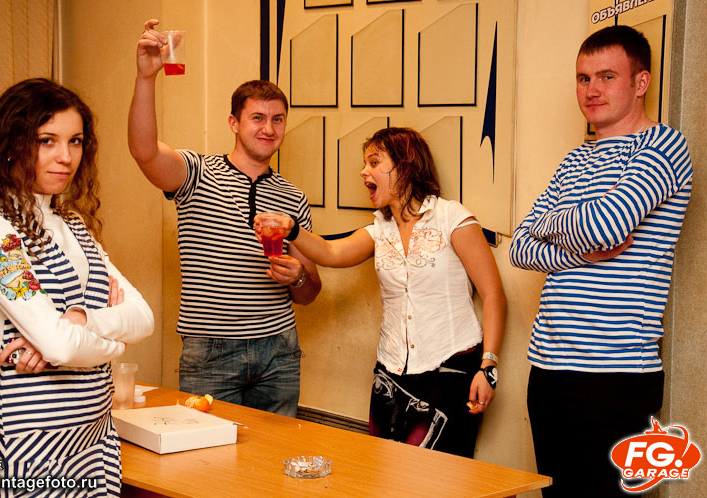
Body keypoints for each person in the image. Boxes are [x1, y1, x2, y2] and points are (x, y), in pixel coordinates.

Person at [509, 25, 693, 498]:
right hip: (547, 368)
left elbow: (604, 227)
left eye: (607, 76)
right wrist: (580, 242)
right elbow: (519, 247)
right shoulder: (575, 160)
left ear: (640, 82)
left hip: (616, 374)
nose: (592, 89)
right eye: (583, 78)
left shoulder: (663, 146)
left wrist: (553, 224)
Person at [0, 78, 154, 497]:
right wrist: (113, 343)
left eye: (75, 141)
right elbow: (61, 346)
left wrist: (82, 320)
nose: (66, 157)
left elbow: (143, 318)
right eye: (47, 141)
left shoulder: (73, 225)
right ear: (10, 145)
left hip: (94, 437)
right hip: (28, 442)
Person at [255, 127, 506, 457]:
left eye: (374, 163)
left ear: (405, 165)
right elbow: (331, 253)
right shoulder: (379, 230)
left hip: (449, 372)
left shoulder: (451, 217)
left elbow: (493, 295)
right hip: (390, 374)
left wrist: (488, 368)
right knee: (384, 475)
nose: (364, 172)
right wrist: (292, 229)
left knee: (441, 479)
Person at [129, 19, 321, 417]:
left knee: (277, 450)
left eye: (278, 119)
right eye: (257, 118)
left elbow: (310, 291)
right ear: (234, 123)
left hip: (280, 349)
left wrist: (298, 277)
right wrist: (146, 78)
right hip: (211, 351)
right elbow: (144, 150)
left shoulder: (293, 197)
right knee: (206, 450)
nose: (269, 128)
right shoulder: (196, 173)